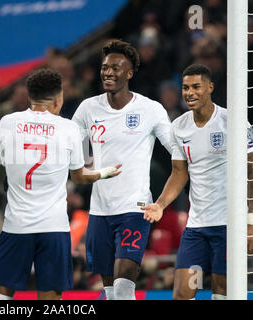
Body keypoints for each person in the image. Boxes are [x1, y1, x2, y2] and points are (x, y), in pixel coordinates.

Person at [0, 68, 122, 300]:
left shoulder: (7, 122)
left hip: (17, 225)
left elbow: (4, 162)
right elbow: (79, 177)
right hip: (54, 226)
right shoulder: (69, 129)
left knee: (0, 292)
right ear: (59, 99)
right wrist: (102, 173)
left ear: (29, 97)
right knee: (50, 297)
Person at [141, 64, 253, 300]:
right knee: (182, 293)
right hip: (197, 227)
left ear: (210, 87)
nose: (189, 92)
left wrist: (250, 221)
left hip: (229, 225)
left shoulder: (232, 122)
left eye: (196, 87)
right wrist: (160, 204)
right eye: (185, 88)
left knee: (222, 292)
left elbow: (251, 170)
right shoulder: (179, 127)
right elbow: (179, 173)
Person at [71, 39, 172, 300]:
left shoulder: (150, 109)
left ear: (129, 73)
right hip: (99, 210)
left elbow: (177, 149)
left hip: (134, 208)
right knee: (111, 291)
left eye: (116, 68)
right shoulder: (87, 109)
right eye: (105, 67)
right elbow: (77, 157)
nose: (108, 72)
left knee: (124, 280)